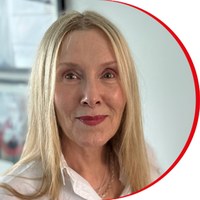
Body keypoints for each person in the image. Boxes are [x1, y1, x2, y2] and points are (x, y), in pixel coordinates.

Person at [0, 11, 160, 199]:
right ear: (46, 91)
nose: (91, 97)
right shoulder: (13, 194)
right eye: (70, 76)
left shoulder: (146, 163)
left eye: (108, 74)